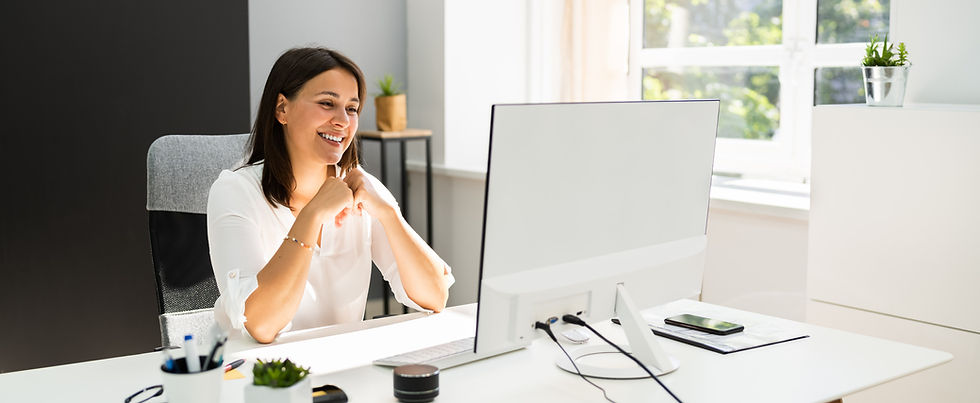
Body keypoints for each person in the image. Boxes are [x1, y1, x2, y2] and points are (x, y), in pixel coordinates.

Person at [207, 47, 453, 343]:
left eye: (352, 108)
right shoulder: (234, 192)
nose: (343, 121)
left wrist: (389, 213)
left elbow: (435, 297)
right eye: (327, 103)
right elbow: (260, 324)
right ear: (282, 109)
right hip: (253, 376)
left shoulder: (361, 188)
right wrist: (313, 215)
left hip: (336, 371)